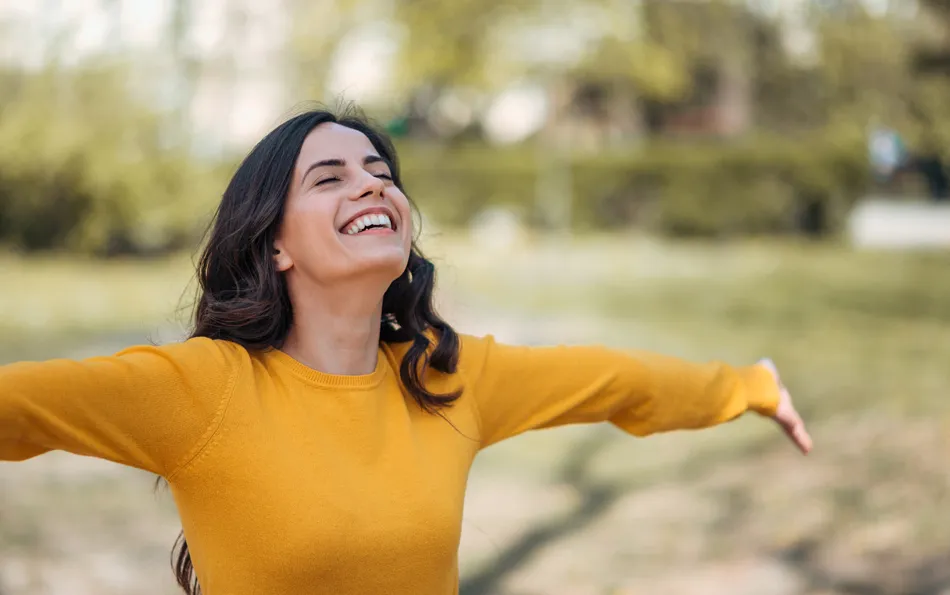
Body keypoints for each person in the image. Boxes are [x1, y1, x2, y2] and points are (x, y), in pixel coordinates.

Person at [0, 107, 812, 595]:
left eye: (380, 170)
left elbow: (612, 381)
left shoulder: (444, 377)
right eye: (329, 177)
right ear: (274, 243)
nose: (372, 184)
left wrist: (748, 385)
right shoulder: (204, 389)